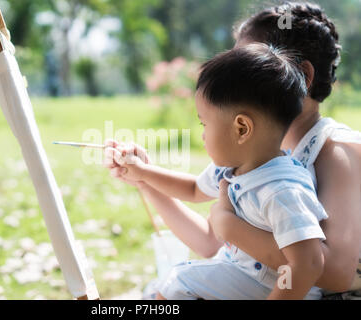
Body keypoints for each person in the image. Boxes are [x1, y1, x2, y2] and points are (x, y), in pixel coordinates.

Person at [104, 2, 361, 299]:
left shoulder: (338, 153)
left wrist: (233, 229)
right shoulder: (249, 150)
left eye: (249, 62)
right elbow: (208, 241)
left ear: (302, 76)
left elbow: (338, 273)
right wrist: (144, 180)